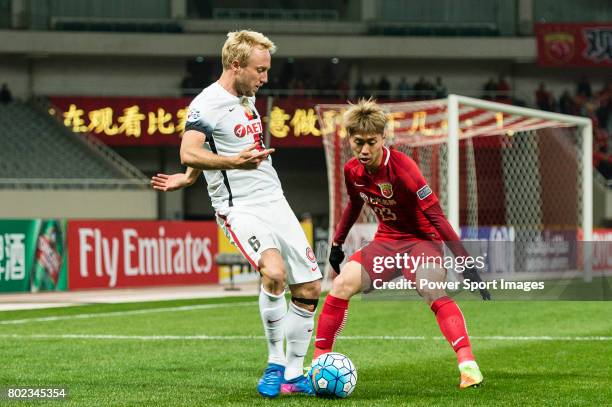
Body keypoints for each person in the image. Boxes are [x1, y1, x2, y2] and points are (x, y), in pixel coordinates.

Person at [150, 30, 321, 398]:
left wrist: (191, 178)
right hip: (239, 208)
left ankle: (294, 374)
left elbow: (208, 149)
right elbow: (189, 150)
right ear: (236, 64)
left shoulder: (247, 99)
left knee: (309, 288)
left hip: (275, 200)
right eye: (260, 70)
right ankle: (276, 364)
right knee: (273, 272)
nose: (265, 78)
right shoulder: (206, 103)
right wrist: (225, 165)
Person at [313, 99, 488, 390]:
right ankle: (318, 363)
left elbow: (437, 218)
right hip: (387, 243)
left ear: (384, 138)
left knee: (430, 287)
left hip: (422, 242)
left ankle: (468, 365)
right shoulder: (352, 170)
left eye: (371, 142)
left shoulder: (404, 168)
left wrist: (465, 263)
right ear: (350, 140)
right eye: (358, 143)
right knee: (341, 284)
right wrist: (337, 243)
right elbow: (354, 205)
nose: (365, 150)